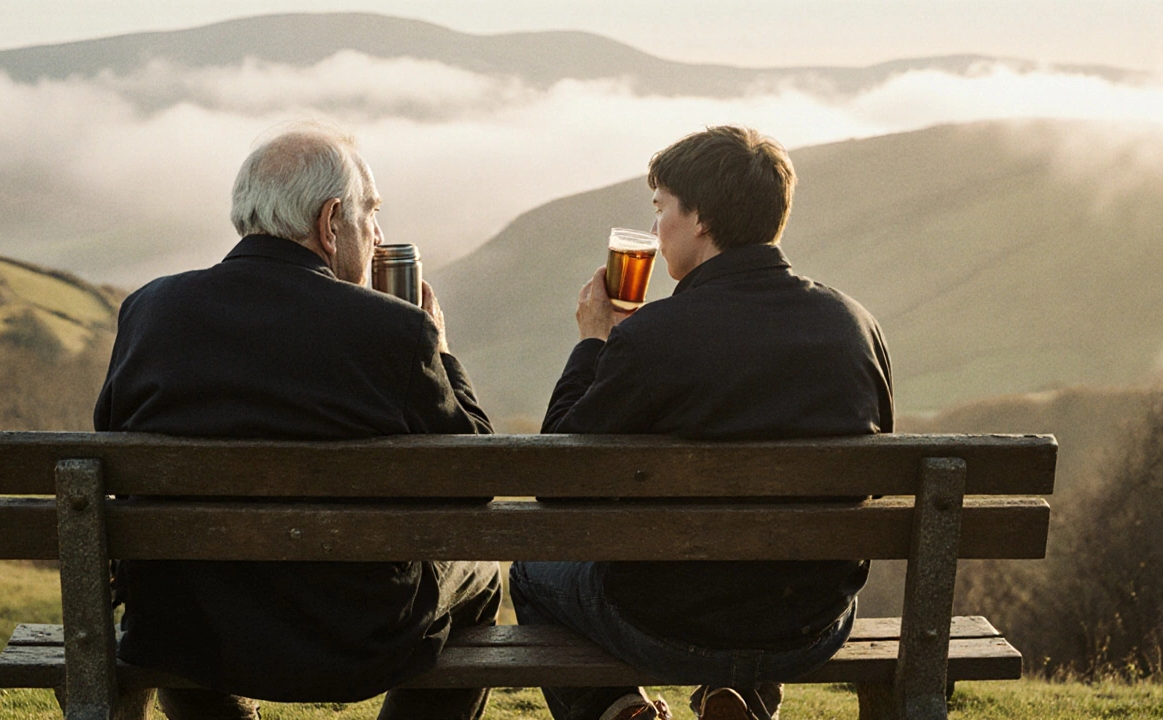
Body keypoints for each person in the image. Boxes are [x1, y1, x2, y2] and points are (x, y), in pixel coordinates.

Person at [94, 123, 501, 720]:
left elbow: (111, 446)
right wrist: (440, 350)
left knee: (186, 585)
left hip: (186, 629)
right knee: (484, 572)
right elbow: (475, 476)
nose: (378, 234)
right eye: (372, 213)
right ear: (331, 220)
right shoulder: (393, 330)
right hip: (356, 638)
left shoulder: (150, 310)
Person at [509, 126, 894, 720]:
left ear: (702, 220)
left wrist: (593, 343)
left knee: (532, 573)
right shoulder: (854, 326)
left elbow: (557, 478)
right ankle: (732, 697)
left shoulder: (652, 337)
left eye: (661, 209)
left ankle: (616, 711)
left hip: (664, 623)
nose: (657, 230)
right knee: (757, 584)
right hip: (807, 623)